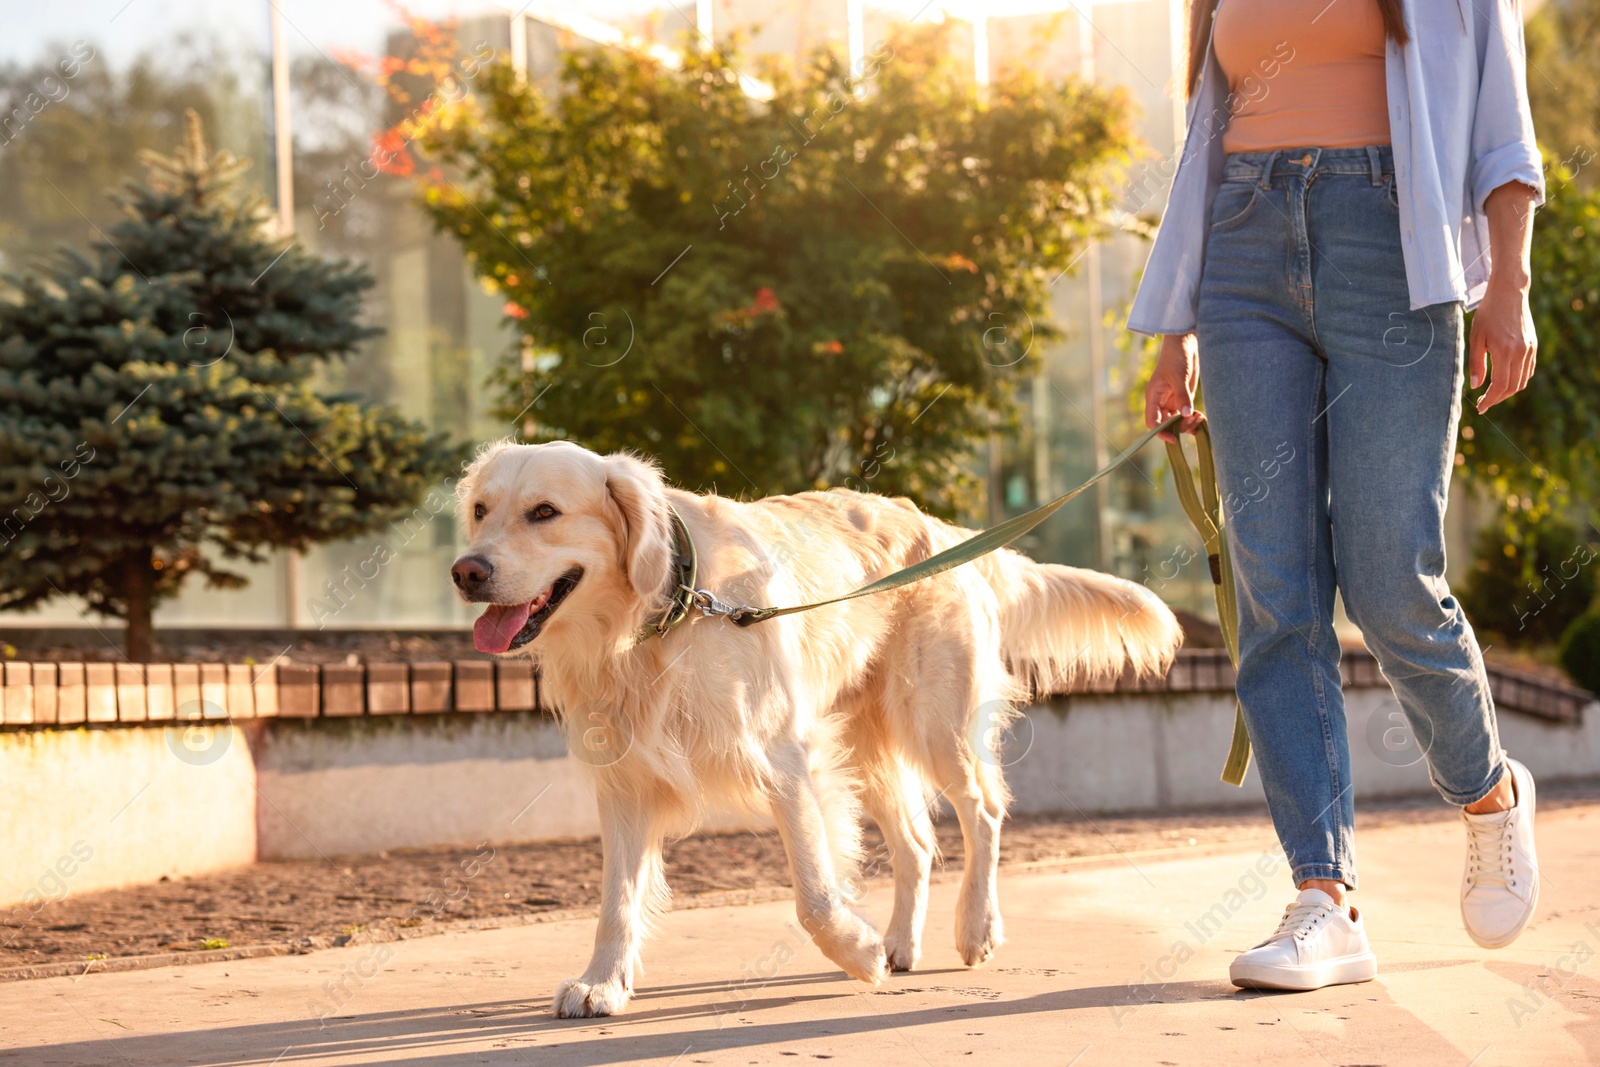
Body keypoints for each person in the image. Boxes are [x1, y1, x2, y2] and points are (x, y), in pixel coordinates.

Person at [1130, 0, 1544, 991]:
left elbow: (1501, 116)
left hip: (1391, 248)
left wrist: (1508, 282)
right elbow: (1202, 139)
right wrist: (1172, 332)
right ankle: (1324, 896)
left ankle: (1487, 792)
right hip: (1242, 254)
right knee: (1274, 590)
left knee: (1388, 577)